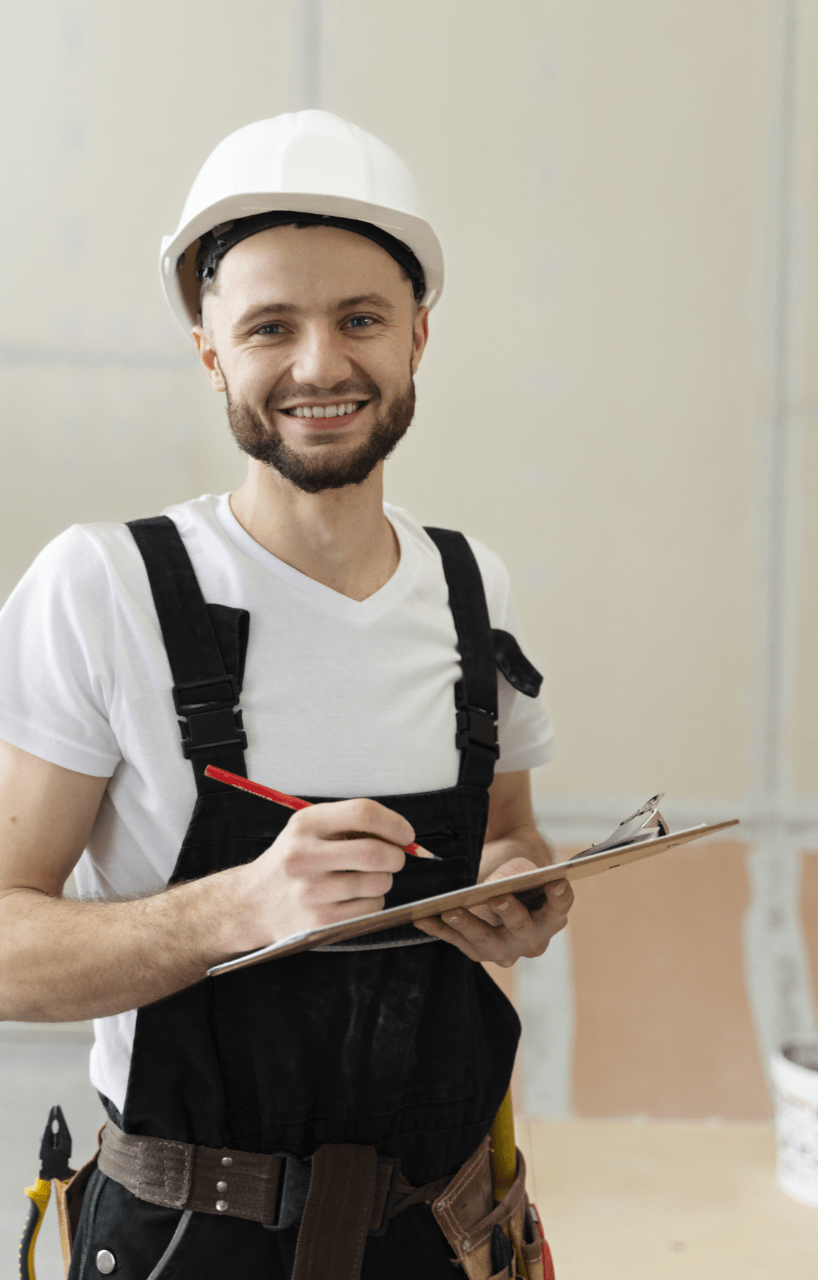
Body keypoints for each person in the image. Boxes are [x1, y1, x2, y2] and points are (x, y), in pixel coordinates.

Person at [0, 110, 572, 1279]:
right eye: (271, 326)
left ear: (418, 335)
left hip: (448, 1225)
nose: (321, 365)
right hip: (186, 1240)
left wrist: (520, 890)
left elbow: (508, 836)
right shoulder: (103, 586)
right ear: (214, 351)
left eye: (360, 318)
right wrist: (241, 907)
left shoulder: (474, 586)